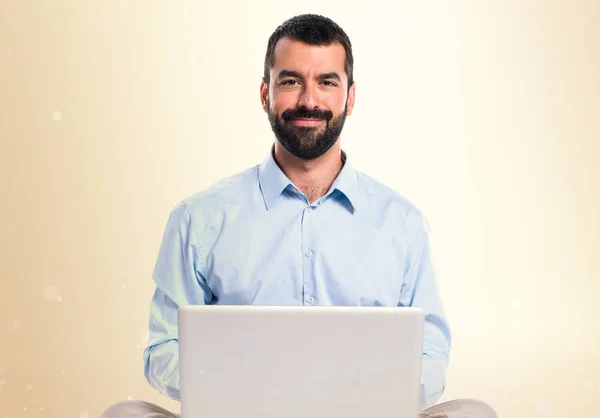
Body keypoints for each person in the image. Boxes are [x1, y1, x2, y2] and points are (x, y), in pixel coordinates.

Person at [102, 14, 498, 418]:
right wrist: (247, 390)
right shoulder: (197, 219)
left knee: (473, 413)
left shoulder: (402, 223)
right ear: (264, 94)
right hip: (240, 414)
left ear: (351, 96)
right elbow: (163, 348)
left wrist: (363, 396)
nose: (309, 100)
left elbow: (431, 351)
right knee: (126, 415)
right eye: (291, 82)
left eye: (327, 82)